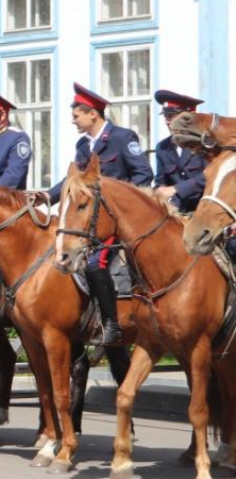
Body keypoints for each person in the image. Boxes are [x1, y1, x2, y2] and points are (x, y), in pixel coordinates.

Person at [49, 82, 154, 346]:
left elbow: (144, 175)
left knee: (96, 262)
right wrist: (45, 197)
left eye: (76, 116)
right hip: (92, 221)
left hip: (117, 220)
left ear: (92, 114)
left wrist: (117, 197)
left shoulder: (122, 138)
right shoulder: (83, 146)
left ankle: (111, 324)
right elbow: (76, 181)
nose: (73, 121)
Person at [152, 90, 207, 213]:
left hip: (206, 210)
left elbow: (210, 176)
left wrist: (177, 189)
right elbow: (161, 182)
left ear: (188, 117)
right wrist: (158, 191)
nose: (167, 121)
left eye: (171, 116)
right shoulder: (163, 147)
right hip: (177, 212)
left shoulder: (205, 143)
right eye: (165, 116)